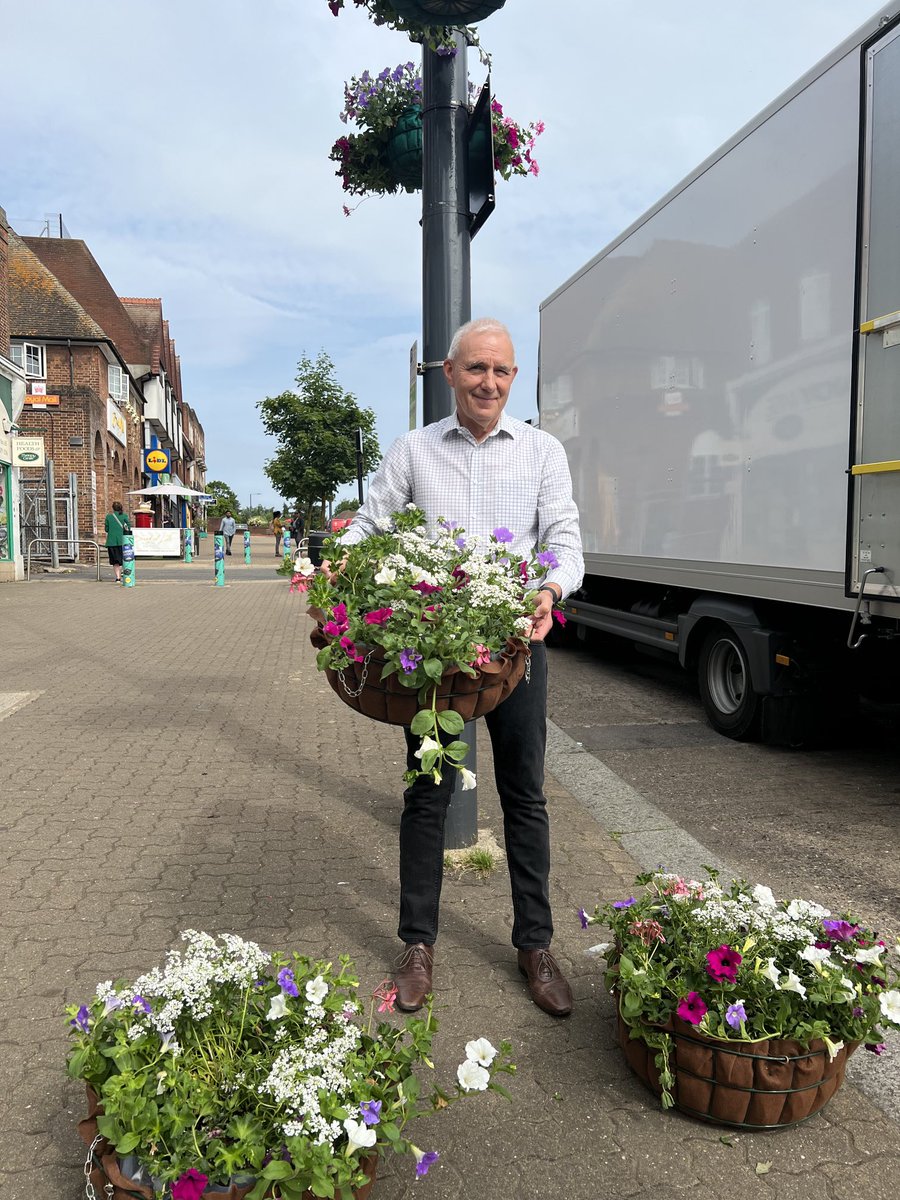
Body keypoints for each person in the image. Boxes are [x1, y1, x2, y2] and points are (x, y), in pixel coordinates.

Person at [334, 318, 584, 1018]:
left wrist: (550, 589)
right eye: (477, 369)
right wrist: (337, 567)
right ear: (449, 373)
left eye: (502, 371)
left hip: (514, 654)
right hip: (437, 666)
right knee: (428, 794)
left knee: (525, 797)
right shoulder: (415, 450)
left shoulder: (541, 452)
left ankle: (535, 944)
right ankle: (418, 944)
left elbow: (565, 539)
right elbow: (372, 523)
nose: (490, 383)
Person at [104, 500, 132, 583]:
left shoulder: (109, 517)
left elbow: (106, 529)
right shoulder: (124, 516)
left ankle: (118, 578)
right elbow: (128, 527)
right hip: (122, 541)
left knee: (115, 561)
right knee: (124, 559)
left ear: (113, 508)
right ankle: (125, 574)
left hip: (111, 542)